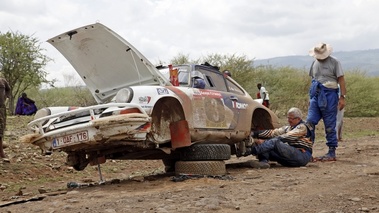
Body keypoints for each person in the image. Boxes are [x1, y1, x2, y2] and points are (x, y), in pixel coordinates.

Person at [306, 42, 346, 162]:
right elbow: (313, 79)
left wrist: (342, 97)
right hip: (316, 95)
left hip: (330, 94)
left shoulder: (335, 62)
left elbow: (341, 79)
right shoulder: (314, 63)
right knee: (309, 122)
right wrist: (311, 98)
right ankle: (307, 150)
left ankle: (331, 151)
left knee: (329, 123)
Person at [248, 107, 313, 169]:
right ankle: (263, 162)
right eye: (288, 118)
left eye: (291, 118)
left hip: (302, 156)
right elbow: (273, 133)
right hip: (291, 157)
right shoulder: (288, 128)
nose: (289, 120)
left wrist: (265, 142)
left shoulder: (302, 127)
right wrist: (254, 133)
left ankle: (251, 151)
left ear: (298, 119)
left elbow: (287, 137)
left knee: (273, 142)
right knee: (267, 146)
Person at [0, 77, 11, 159]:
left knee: (1, 129)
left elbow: (8, 89)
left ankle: (1, 152)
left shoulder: (3, 80)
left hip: (1, 108)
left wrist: (6, 97)